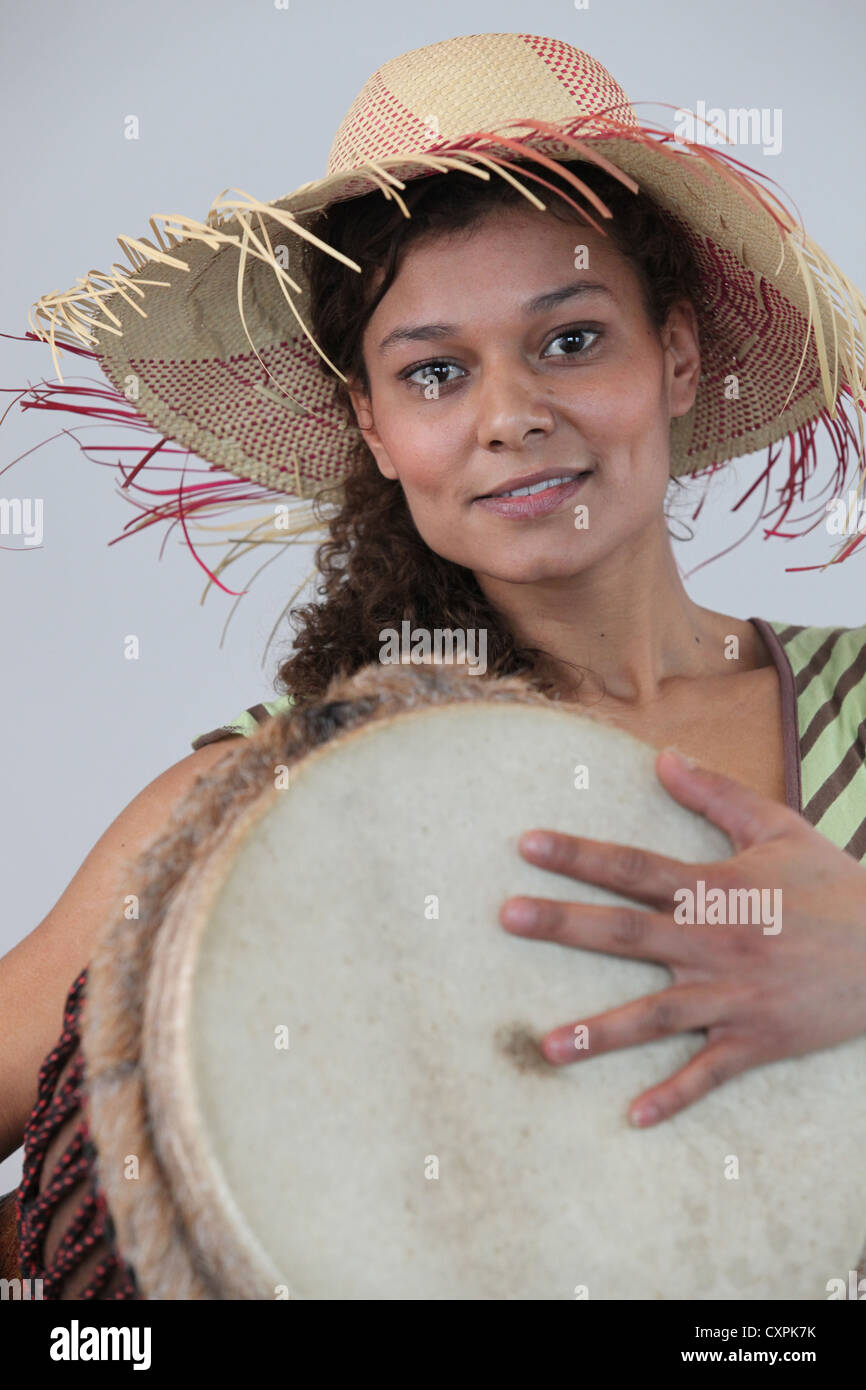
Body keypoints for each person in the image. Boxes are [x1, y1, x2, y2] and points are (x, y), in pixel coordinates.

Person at [2, 32, 866, 1296]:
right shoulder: (258, 812)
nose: (508, 414)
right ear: (373, 423)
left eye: (570, 339)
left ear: (674, 355)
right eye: (435, 371)